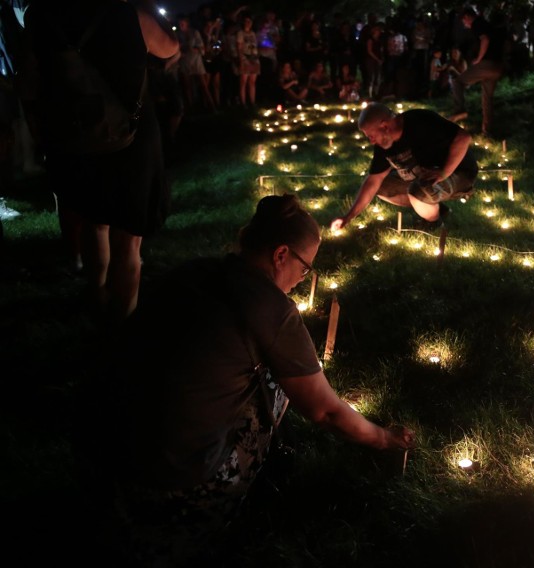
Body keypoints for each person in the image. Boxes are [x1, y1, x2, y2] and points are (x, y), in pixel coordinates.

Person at [75, 194, 417, 566]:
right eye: (305, 270)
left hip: (103, 449)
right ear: (281, 254)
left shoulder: (191, 271)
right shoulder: (271, 309)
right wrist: (384, 439)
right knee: (276, 384)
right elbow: (325, 412)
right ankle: (202, 514)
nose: (302, 281)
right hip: (171, 478)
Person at [17, 0, 178, 321]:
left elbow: (29, 75)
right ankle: (122, 317)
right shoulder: (131, 14)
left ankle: (96, 292)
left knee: (94, 220)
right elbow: (171, 50)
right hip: (131, 134)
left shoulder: (41, 13)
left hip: (74, 135)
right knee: (130, 239)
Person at [330, 102, 478, 232]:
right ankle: (436, 208)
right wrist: (348, 217)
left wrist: (444, 172)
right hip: (424, 177)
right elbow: (374, 180)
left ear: (385, 126)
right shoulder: (385, 142)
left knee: (418, 191)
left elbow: (463, 138)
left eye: (371, 135)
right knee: (382, 187)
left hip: (459, 172)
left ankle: (433, 223)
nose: (371, 141)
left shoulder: (420, 120)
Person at [449, 6, 505, 138]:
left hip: (487, 64)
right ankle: (487, 131)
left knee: (457, 81)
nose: (465, 25)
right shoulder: (487, 24)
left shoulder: (477, 23)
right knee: (487, 99)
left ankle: (460, 110)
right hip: (497, 66)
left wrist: (479, 59)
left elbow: (485, 39)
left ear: (467, 17)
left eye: (464, 21)